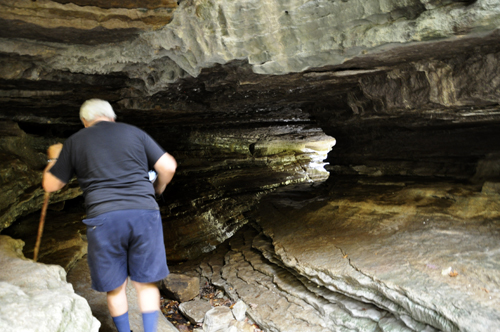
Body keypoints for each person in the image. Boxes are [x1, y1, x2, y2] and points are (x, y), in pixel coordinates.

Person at [42, 99, 177, 332]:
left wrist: (53, 157)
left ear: (85, 122)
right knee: (145, 284)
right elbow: (169, 166)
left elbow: (51, 185)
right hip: (143, 214)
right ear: (112, 117)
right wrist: (158, 189)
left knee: (115, 288)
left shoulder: (75, 141)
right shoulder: (134, 133)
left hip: (104, 218)